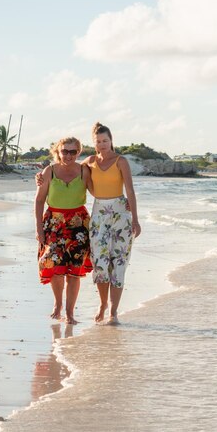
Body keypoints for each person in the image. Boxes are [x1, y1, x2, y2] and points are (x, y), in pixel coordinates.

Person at [84, 122, 141, 325]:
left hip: (121, 215)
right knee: (99, 263)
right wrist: (41, 176)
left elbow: (131, 191)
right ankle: (102, 304)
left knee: (118, 263)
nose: (102, 144)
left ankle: (114, 311)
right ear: (94, 143)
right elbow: (71, 172)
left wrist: (135, 219)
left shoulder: (121, 161)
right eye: (98, 141)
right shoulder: (89, 162)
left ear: (111, 140)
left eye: (105, 140)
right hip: (99, 214)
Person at [35, 137, 93, 324]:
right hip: (54, 222)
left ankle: (69, 313)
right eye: (64, 151)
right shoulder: (49, 171)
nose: (68, 155)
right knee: (54, 264)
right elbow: (39, 201)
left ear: (78, 153)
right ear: (58, 152)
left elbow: (100, 191)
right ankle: (58, 304)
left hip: (79, 224)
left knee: (74, 271)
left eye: (72, 152)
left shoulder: (84, 171)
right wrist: (39, 229)